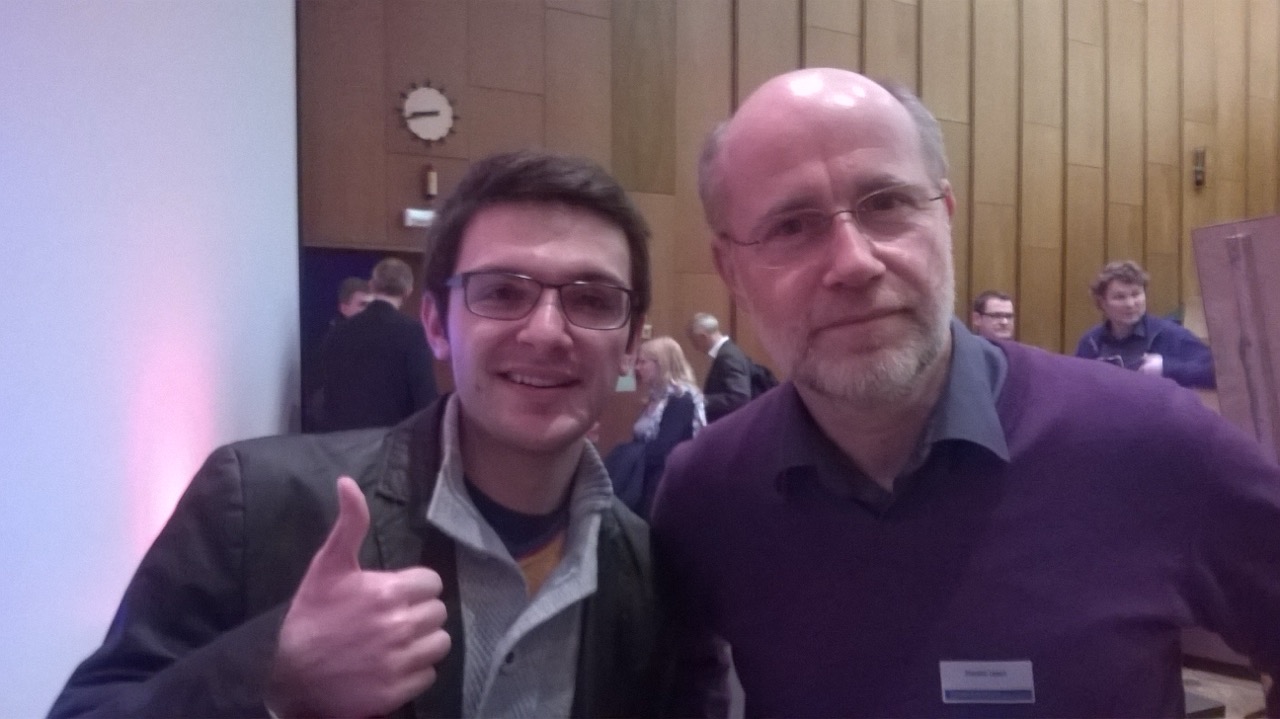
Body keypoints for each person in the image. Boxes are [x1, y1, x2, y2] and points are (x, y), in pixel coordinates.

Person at [650, 67, 1280, 717]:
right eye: (792, 225)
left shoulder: (1150, 444)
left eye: (886, 203)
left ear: (944, 217)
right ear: (731, 269)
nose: (855, 261)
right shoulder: (707, 496)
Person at [49, 150, 673, 718]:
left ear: (630, 340)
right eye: (502, 292)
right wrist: (273, 676)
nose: (545, 331)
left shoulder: (650, 570)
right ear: (434, 323)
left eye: (591, 300)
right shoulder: (257, 502)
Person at [314, 257, 439, 431]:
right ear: (408, 291)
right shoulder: (413, 332)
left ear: (372, 285)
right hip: (390, 442)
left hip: (340, 442)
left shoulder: (338, 332)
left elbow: (325, 393)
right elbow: (424, 397)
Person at [605, 336, 706, 519]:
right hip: (646, 480)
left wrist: (628, 455)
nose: (637, 368)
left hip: (662, 487)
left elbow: (663, 450)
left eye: (643, 362)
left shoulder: (680, 399)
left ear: (662, 364)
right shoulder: (657, 396)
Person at [1075, 259, 1216, 388]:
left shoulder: (1170, 334)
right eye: (1119, 297)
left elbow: (1219, 374)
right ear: (1102, 303)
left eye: (1136, 294)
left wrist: (1166, 368)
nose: (1130, 304)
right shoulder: (1091, 342)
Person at [686, 312, 752, 421]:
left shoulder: (728, 356)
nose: (695, 348)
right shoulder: (728, 352)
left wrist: (702, 400)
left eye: (694, 342)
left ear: (703, 337)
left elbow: (740, 397)